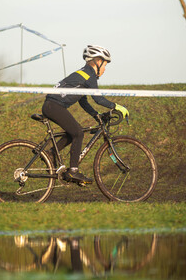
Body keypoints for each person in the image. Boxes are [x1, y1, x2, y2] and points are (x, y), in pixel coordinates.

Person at [42, 45, 129, 184]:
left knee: (75, 132)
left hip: (52, 105)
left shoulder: (83, 73)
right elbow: (98, 99)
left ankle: (51, 153)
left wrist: (96, 115)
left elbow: (83, 100)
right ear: (97, 62)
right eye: (105, 65)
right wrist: (116, 106)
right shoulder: (89, 75)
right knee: (78, 133)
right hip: (54, 106)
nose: (105, 69)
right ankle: (73, 171)